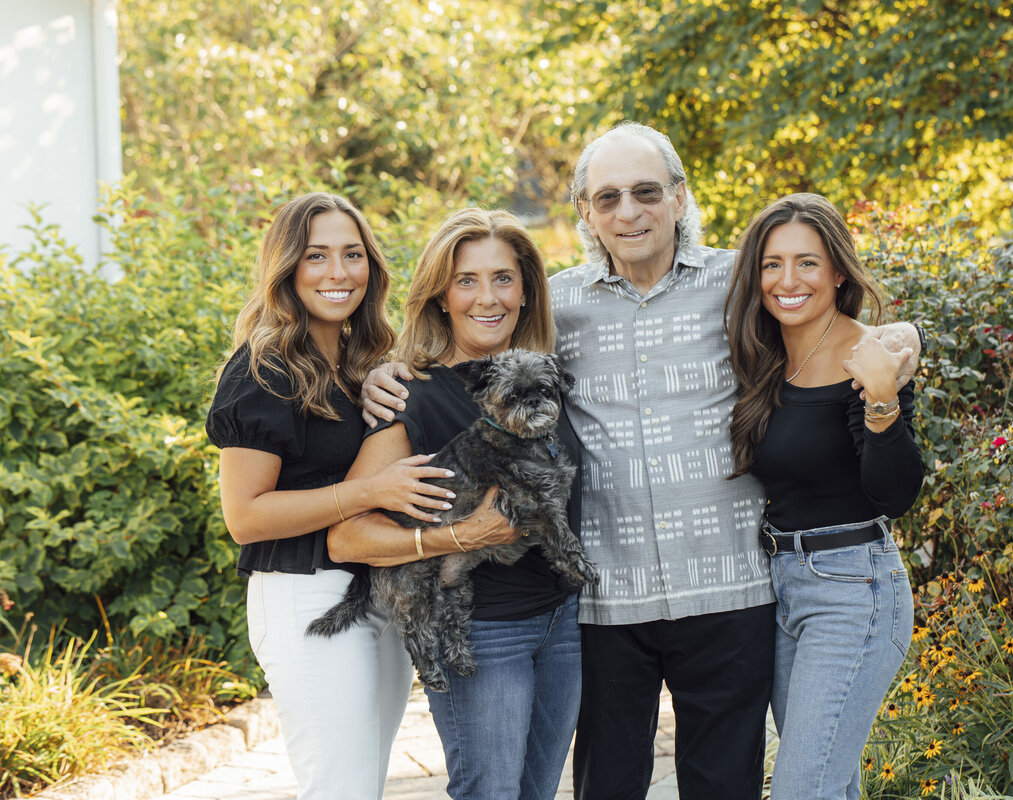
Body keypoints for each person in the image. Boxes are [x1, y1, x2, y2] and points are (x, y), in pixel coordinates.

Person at [362, 122, 923, 800]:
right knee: (610, 787)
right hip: (606, 603)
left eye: (646, 192)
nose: (628, 212)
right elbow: (471, 340)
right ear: (585, 213)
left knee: (728, 786)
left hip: (731, 589)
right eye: (608, 198)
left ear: (679, 198)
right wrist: (386, 373)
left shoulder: (738, 287)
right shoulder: (553, 306)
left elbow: (823, 316)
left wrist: (905, 337)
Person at [206, 192, 511, 800]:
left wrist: (378, 374)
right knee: (339, 787)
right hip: (306, 598)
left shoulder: (360, 359)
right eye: (316, 256)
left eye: (353, 254)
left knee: (362, 783)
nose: (338, 273)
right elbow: (244, 517)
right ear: (287, 268)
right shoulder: (262, 371)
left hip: (376, 588)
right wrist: (367, 490)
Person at [325, 207, 585, 800]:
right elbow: (349, 536)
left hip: (563, 624)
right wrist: (457, 538)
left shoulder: (540, 376)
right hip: (480, 631)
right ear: (441, 295)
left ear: (525, 290)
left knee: (538, 792)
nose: (486, 297)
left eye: (503, 278)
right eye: (466, 280)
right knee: (489, 792)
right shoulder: (408, 398)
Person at [725, 193, 923, 799]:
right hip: (780, 585)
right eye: (772, 264)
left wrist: (883, 399)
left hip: (853, 589)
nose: (788, 281)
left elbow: (895, 493)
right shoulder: (763, 358)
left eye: (807, 263)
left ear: (838, 271)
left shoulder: (872, 355)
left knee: (801, 789)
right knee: (827, 782)